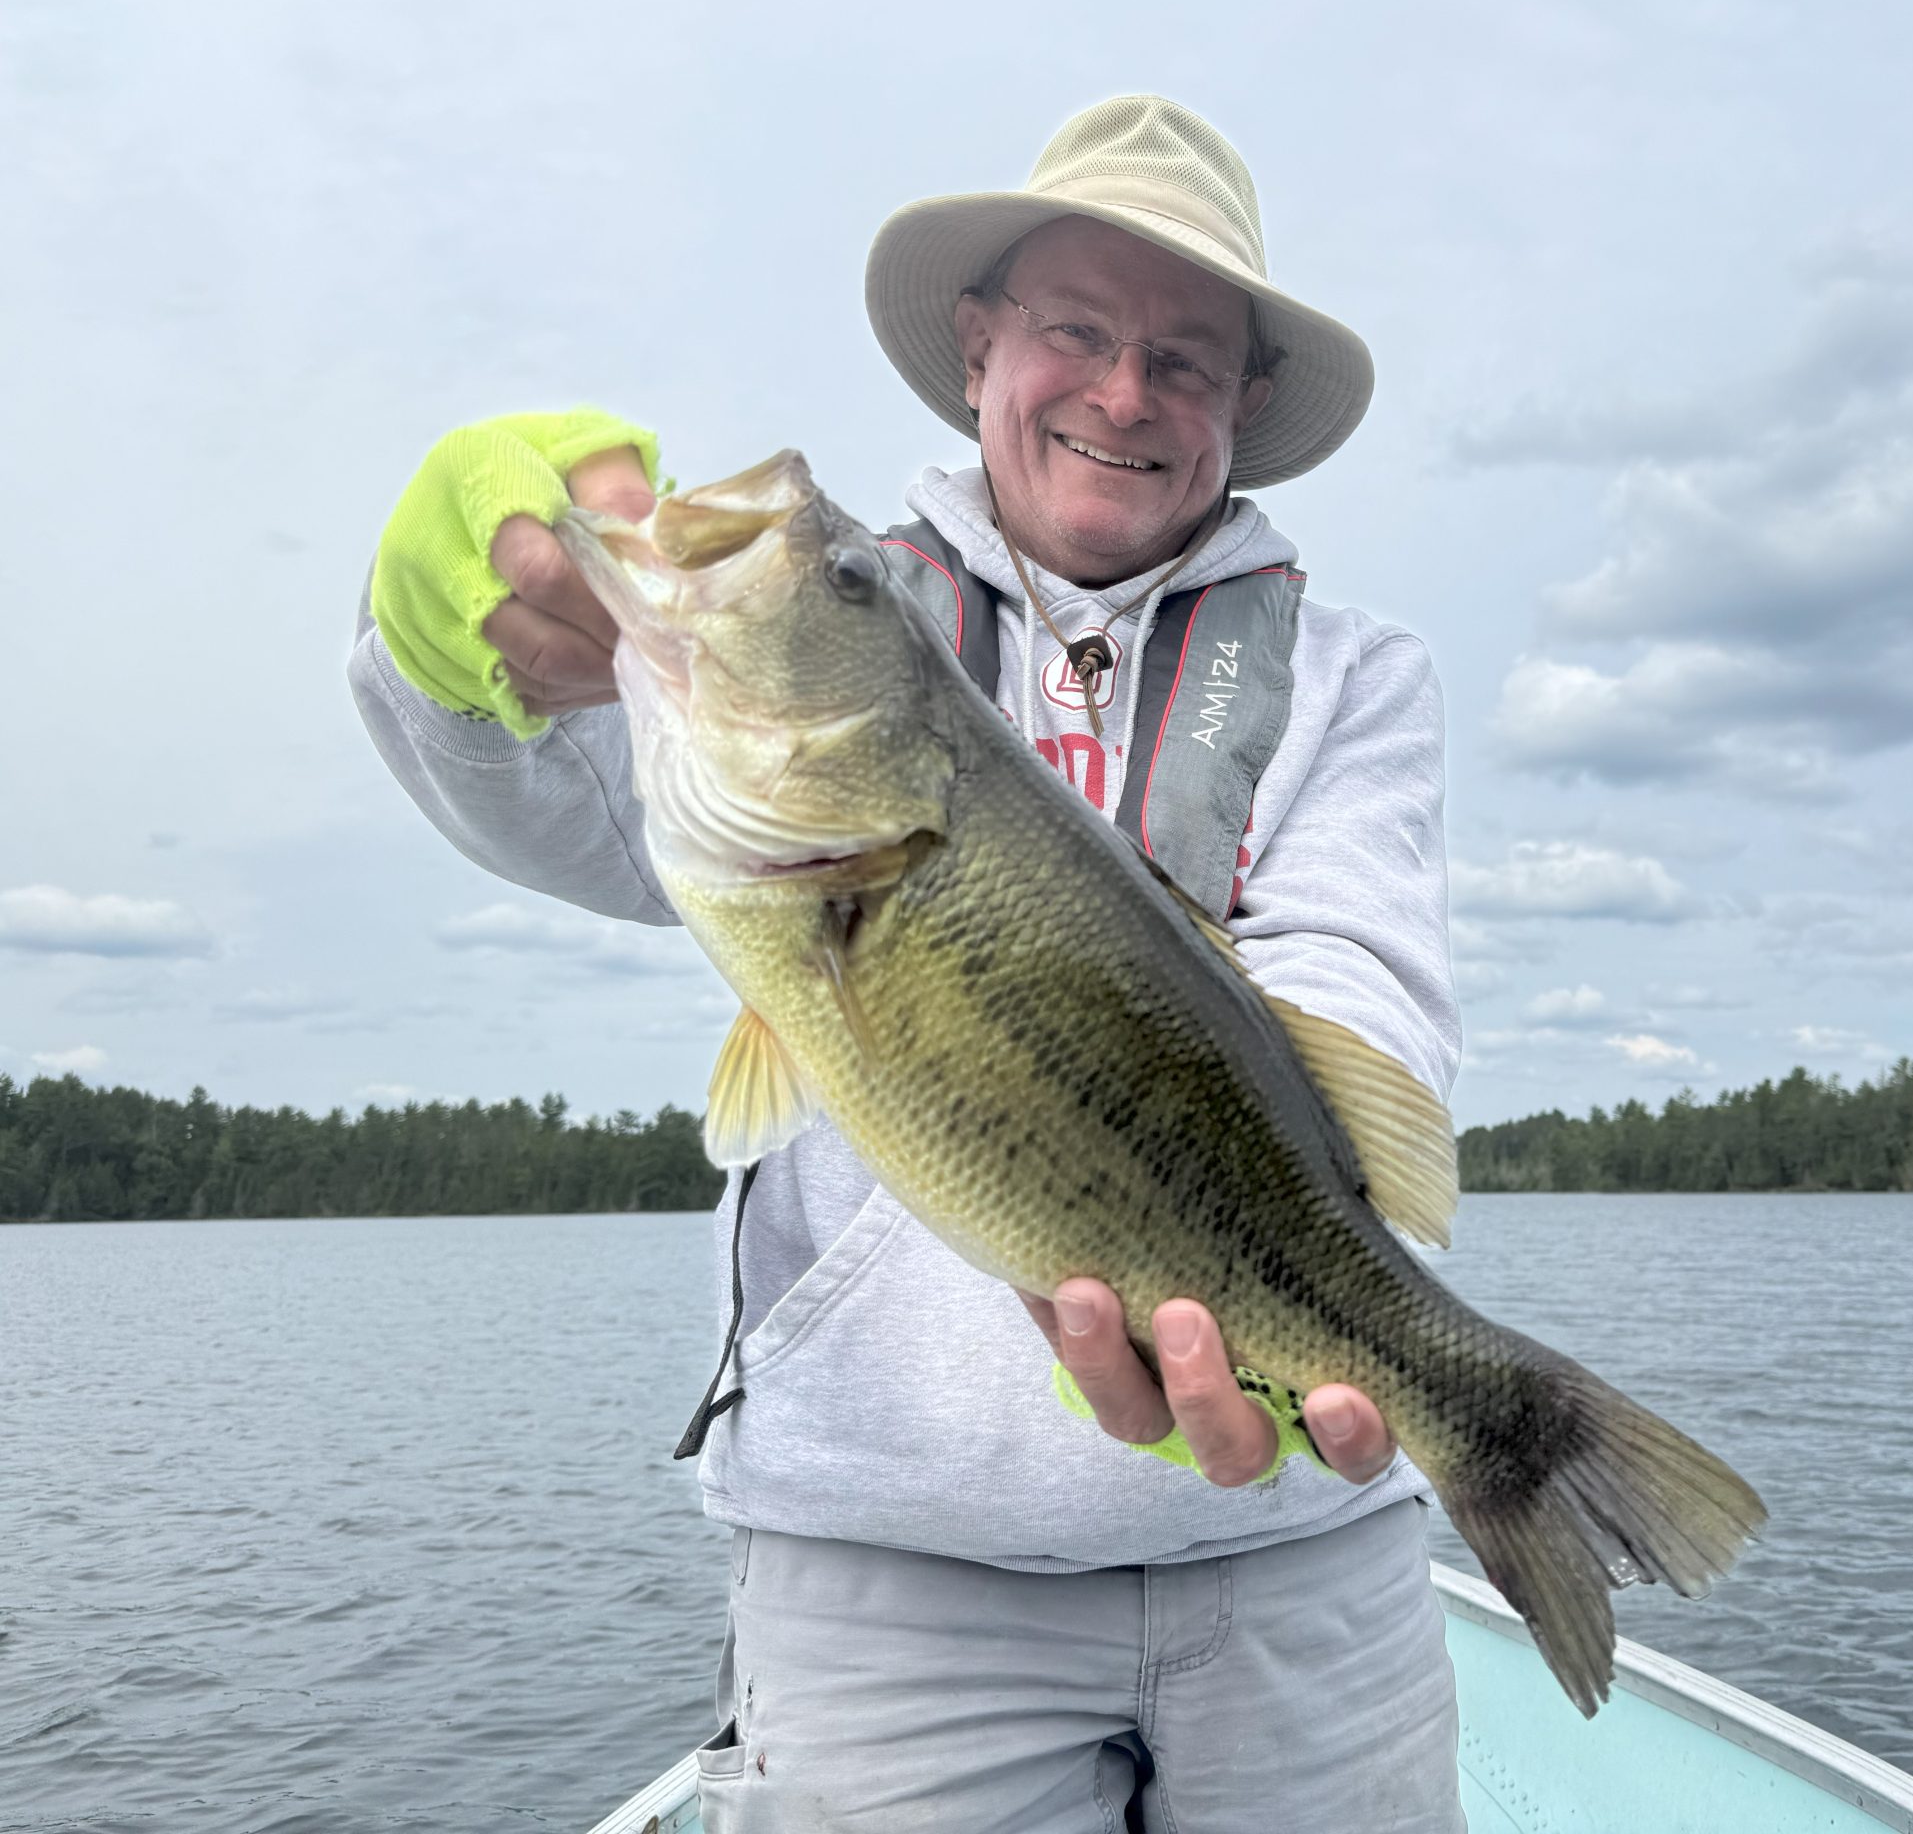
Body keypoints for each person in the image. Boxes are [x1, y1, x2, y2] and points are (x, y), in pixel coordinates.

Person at [350, 95, 1464, 1831]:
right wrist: (444, 628)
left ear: (1245, 404)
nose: (1120, 391)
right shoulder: (829, 618)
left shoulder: (1354, 671)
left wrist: (1240, 1306)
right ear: (978, 345)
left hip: (1296, 1534)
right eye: (1075, 332)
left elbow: (1352, 998)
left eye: (1182, 357)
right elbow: (538, 795)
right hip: (889, 1566)